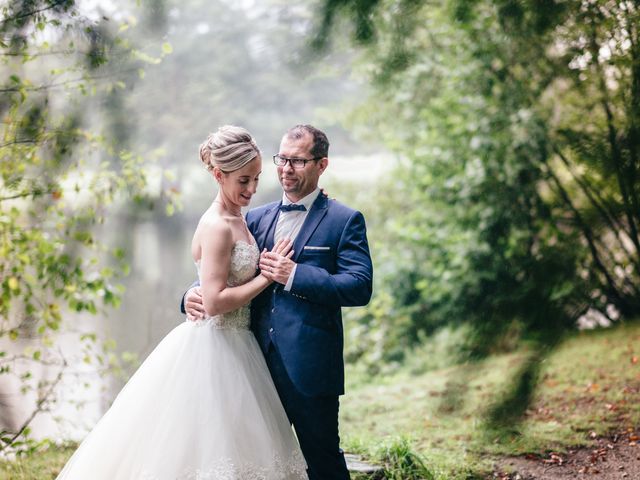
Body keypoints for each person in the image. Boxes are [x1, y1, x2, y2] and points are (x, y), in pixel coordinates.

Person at [56, 126, 308, 480]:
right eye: (243, 181)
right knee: (203, 446)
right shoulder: (217, 225)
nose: (251, 189)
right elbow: (216, 301)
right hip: (214, 345)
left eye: (256, 179)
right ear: (218, 175)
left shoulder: (239, 217)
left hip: (240, 345)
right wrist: (266, 277)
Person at [183, 124, 373, 480]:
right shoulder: (253, 217)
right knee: (257, 463)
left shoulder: (344, 220)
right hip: (249, 365)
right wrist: (189, 296)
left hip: (309, 368)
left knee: (322, 459)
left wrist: (294, 274)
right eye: (282, 159)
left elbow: (359, 286)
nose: (286, 168)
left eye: (298, 161)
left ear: (322, 165)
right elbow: (219, 273)